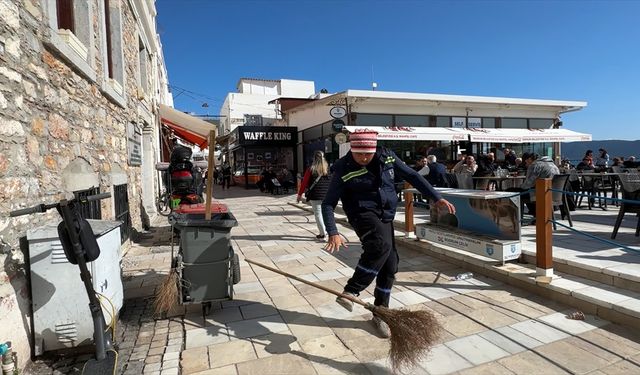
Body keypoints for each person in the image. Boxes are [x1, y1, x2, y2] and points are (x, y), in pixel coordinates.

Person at [321, 131, 455, 337]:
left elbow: (412, 175)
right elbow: (328, 203)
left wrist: (435, 197)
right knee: (379, 246)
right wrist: (333, 231)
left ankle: (381, 313)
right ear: (352, 151)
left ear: (375, 150)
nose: (364, 158)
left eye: (368, 154)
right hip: (361, 213)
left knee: (390, 266)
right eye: (359, 155)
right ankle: (351, 291)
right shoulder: (342, 167)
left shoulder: (388, 156)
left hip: (386, 213)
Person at [509, 153, 560, 218]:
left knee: (511, 192)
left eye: (525, 160)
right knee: (527, 192)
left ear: (530, 159)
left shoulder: (535, 165)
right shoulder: (553, 165)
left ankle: (516, 218)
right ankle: (536, 215)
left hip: (541, 194)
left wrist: (520, 187)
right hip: (554, 193)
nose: (525, 162)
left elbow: (528, 184)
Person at [296, 151, 331, 240]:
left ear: (314, 158)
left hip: (315, 195)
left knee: (318, 214)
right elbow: (332, 182)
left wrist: (299, 195)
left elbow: (304, 183)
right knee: (326, 214)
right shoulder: (328, 169)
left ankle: (323, 234)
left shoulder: (311, 169)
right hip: (327, 195)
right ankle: (329, 232)